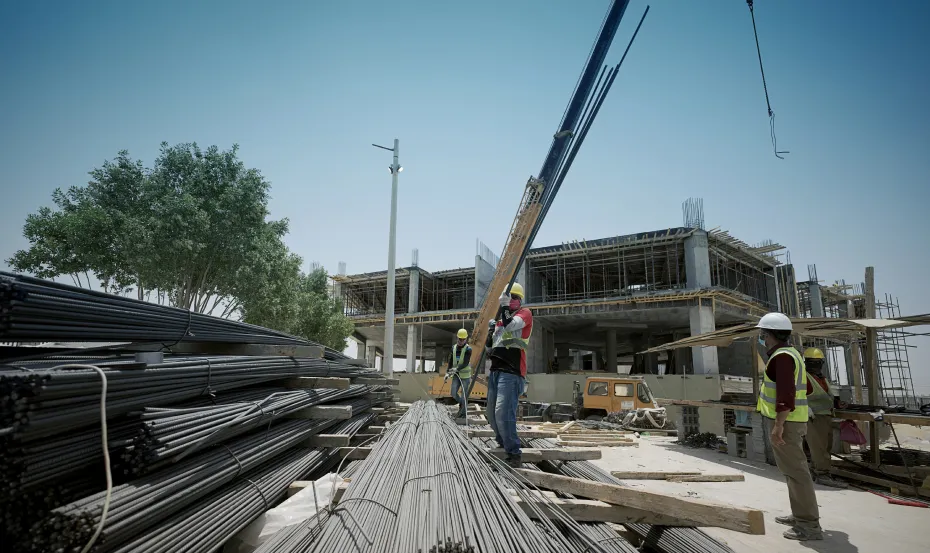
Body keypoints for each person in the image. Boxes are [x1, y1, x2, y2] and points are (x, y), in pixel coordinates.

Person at [756, 312, 823, 541]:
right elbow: (803, 389)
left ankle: (809, 525)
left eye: (763, 334)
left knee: (796, 473)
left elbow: (785, 395)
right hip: (794, 421)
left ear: (770, 335)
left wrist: (778, 426)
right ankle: (800, 515)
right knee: (792, 472)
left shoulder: (782, 358)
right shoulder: (792, 354)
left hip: (787, 424)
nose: (762, 338)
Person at [485, 282, 533, 468]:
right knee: (491, 413)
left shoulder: (525, 313)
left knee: (503, 412)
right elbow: (490, 349)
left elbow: (511, 325)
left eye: (514, 297)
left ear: (519, 300)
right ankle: (503, 443)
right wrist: (491, 332)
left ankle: (514, 453)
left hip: (512, 372)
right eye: (508, 297)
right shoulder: (500, 320)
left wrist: (504, 307)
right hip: (496, 371)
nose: (511, 300)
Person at [803, 347, 849, 488]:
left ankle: (815, 471)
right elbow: (797, 396)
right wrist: (806, 408)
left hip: (825, 416)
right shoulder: (804, 377)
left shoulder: (821, 378)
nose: (815, 366)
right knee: (819, 448)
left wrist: (836, 402)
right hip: (814, 417)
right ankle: (822, 473)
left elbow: (825, 395)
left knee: (824, 446)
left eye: (817, 363)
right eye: (812, 362)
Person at [447, 328, 473, 419]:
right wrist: (448, 372)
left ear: (466, 339)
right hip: (456, 375)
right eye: (460, 339)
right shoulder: (453, 348)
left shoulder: (468, 349)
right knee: (453, 393)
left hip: (465, 376)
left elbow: (465, 362)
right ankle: (462, 403)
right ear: (457, 338)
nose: (461, 341)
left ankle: (463, 414)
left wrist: (455, 369)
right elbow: (450, 361)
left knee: (464, 395)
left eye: (463, 339)